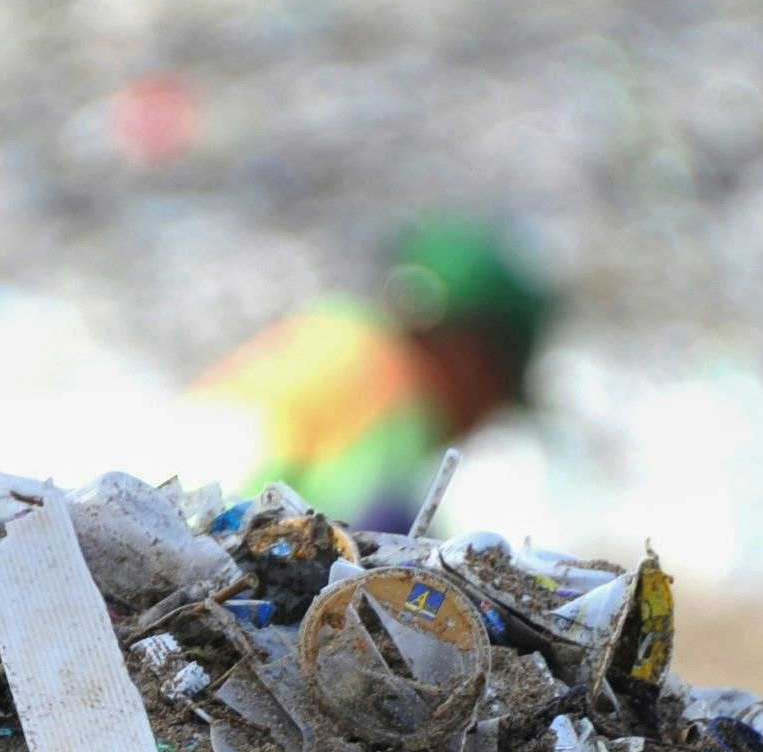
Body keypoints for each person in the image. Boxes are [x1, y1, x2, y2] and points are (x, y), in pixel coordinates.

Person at [194, 216, 553, 533]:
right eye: (495, 395)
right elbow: (366, 526)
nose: (478, 424)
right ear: (471, 357)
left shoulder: (330, 329)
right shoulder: (398, 394)